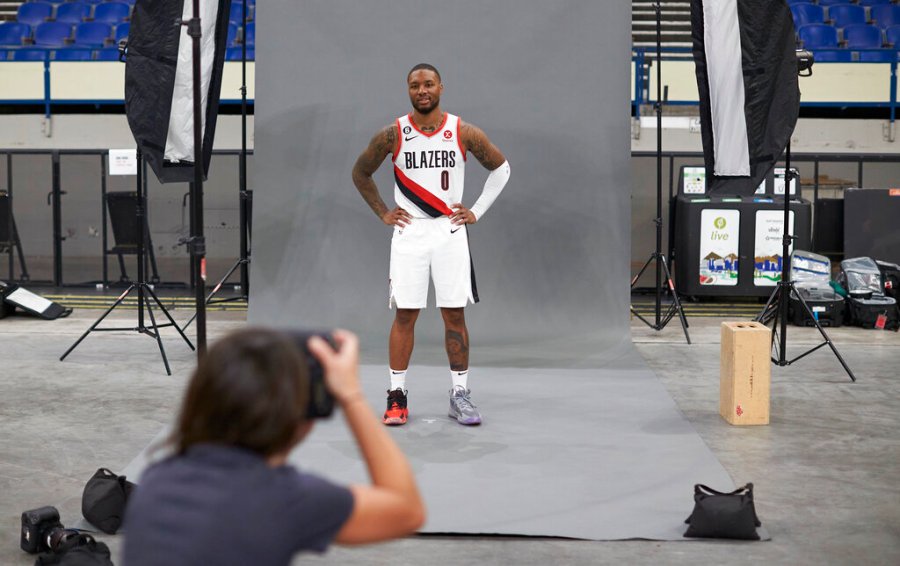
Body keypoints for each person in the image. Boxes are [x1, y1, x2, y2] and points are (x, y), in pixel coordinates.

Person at [122, 327, 425, 566]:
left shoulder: (155, 479)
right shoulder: (285, 498)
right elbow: (407, 509)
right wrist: (351, 395)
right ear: (302, 417)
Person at [352, 63, 510, 427]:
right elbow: (360, 172)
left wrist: (476, 211)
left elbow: (501, 169)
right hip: (410, 232)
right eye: (414, 85)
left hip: (449, 231)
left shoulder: (462, 131)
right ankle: (396, 395)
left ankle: (460, 395)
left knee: (454, 313)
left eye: (428, 84)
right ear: (408, 90)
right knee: (405, 314)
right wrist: (382, 212)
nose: (421, 90)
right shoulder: (393, 133)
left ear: (441, 87)